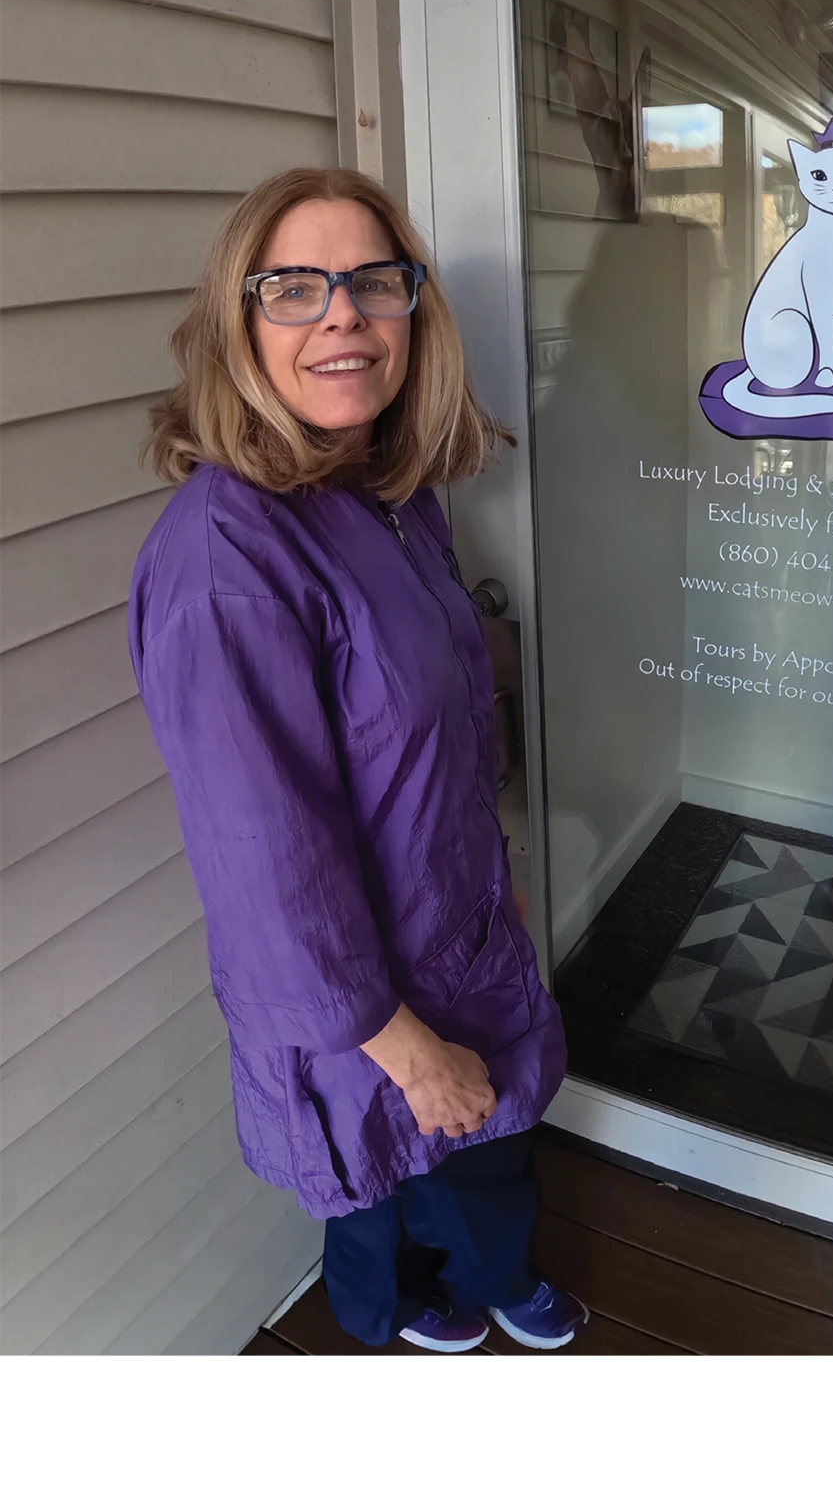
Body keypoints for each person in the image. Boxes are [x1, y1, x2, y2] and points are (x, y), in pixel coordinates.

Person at [128, 166, 584, 1355]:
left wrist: (494, 889)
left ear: (414, 313)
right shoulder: (225, 558)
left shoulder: (395, 496)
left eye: (374, 281)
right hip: (352, 995)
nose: (343, 314)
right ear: (240, 323)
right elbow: (264, 856)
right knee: (373, 1183)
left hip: (457, 933)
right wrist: (399, 1039)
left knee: (481, 1154)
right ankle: (388, 1315)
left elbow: (432, 748)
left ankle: (491, 1279)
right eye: (295, 287)